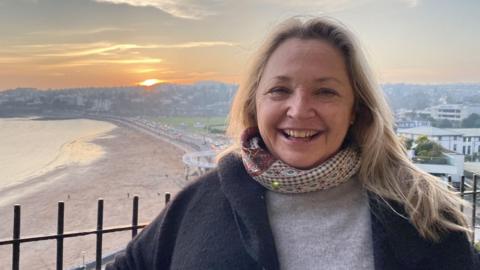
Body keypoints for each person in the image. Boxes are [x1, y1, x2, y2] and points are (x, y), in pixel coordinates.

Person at [107, 17, 479, 270]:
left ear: (355, 109)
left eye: (325, 91)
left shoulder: (422, 214)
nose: (299, 110)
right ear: (255, 103)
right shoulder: (200, 202)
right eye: (280, 90)